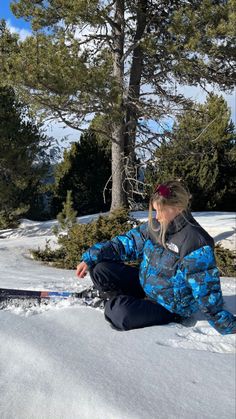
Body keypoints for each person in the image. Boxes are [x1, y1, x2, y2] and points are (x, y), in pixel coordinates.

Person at [76, 180, 236, 334]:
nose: (157, 216)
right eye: (155, 210)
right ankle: (118, 299)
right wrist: (90, 256)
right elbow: (125, 244)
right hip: (146, 286)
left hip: (169, 306)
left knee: (120, 313)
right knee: (99, 268)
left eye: (160, 210)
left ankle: (114, 302)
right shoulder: (155, 226)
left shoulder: (196, 242)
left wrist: (228, 325)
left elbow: (207, 294)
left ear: (178, 207)